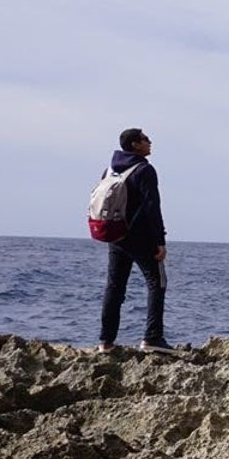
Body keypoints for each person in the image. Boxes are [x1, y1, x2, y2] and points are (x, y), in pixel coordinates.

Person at [98, 127, 168, 352]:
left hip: (115, 236)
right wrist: (160, 240)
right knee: (157, 282)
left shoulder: (110, 170)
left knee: (114, 287)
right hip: (140, 237)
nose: (150, 141)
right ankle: (152, 338)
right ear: (135, 145)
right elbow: (152, 207)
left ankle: (106, 342)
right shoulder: (144, 170)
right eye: (145, 139)